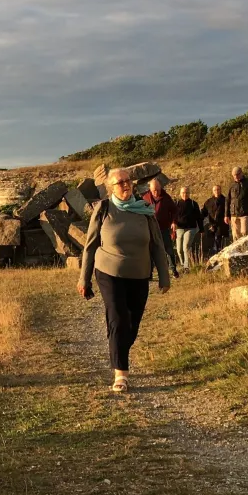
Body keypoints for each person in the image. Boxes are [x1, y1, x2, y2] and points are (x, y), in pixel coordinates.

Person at [77, 168, 171, 393]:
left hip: (139, 273)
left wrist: (164, 275)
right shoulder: (104, 209)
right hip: (109, 271)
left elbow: (157, 244)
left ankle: (116, 344)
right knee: (118, 318)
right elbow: (90, 245)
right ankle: (121, 373)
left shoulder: (144, 210)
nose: (125, 184)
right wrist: (84, 278)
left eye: (128, 180)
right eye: (120, 182)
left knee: (132, 323)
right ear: (111, 188)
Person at [142, 178, 179, 278]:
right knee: (150, 251)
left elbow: (175, 210)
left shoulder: (166, 197)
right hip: (150, 229)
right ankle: (149, 273)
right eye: (154, 190)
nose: (156, 192)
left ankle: (173, 270)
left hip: (163, 229)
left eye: (158, 190)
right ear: (150, 189)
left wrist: (174, 222)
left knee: (169, 250)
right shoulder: (145, 198)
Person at [224, 166, 248, 241]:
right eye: (234, 175)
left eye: (237, 174)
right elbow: (227, 200)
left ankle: (246, 248)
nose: (236, 177)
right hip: (234, 214)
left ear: (241, 173)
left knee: (244, 233)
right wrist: (226, 215)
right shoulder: (231, 185)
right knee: (236, 236)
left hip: (245, 213)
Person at [173, 186, 203, 271]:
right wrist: (173, 223)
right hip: (179, 228)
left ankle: (186, 267)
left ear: (189, 193)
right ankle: (183, 264)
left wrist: (201, 229)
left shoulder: (193, 204)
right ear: (180, 193)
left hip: (190, 228)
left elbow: (199, 217)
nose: (185, 194)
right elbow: (173, 215)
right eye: (183, 193)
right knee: (179, 249)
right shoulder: (177, 203)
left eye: (187, 193)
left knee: (186, 247)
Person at [202, 184, 227, 254]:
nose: (216, 191)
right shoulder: (209, 201)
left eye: (218, 189)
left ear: (221, 190)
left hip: (222, 224)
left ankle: (219, 255)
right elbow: (204, 212)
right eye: (215, 190)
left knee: (219, 241)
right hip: (211, 224)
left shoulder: (225, 200)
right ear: (212, 191)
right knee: (211, 242)